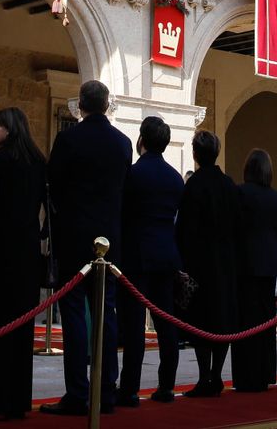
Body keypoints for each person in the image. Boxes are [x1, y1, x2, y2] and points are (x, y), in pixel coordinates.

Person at [42, 80, 131, 416]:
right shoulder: (122, 143)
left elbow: (55, 185)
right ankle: (106, 389)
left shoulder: (68, 139)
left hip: (74, 237)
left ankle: (78, 392)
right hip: (109, 240)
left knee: (75, 317)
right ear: (106, 106)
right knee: (106, 315)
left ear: (81, 106)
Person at [0, 106, 48, 419]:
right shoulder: (38, 162)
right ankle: (19, 399)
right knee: (22, 326)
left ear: (10, 128)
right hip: (27, 249)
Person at [116, 115, 181, 407]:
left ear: (141, 140)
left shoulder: (132, 175)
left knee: (133, 326)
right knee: (166, 323)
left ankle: (129, 388)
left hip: (136, 254)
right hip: (165, 255)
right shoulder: (175, 178)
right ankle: (166, 385)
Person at [176, 130, 239, 397]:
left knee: (201, 320)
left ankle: (204, 376)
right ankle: (216, 374)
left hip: (200, 263)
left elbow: (185, 229)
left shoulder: (193, 185)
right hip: (225, 262)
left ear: (195, 154)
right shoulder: (228, 185)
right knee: (221, 319)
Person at [232, 149, 277, 392]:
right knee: (265, 321)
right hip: (270, 261)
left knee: (245, 321)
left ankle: (245, 376)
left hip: (245, 261)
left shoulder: (240, 193)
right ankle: (264, 373)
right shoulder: (276, 197)